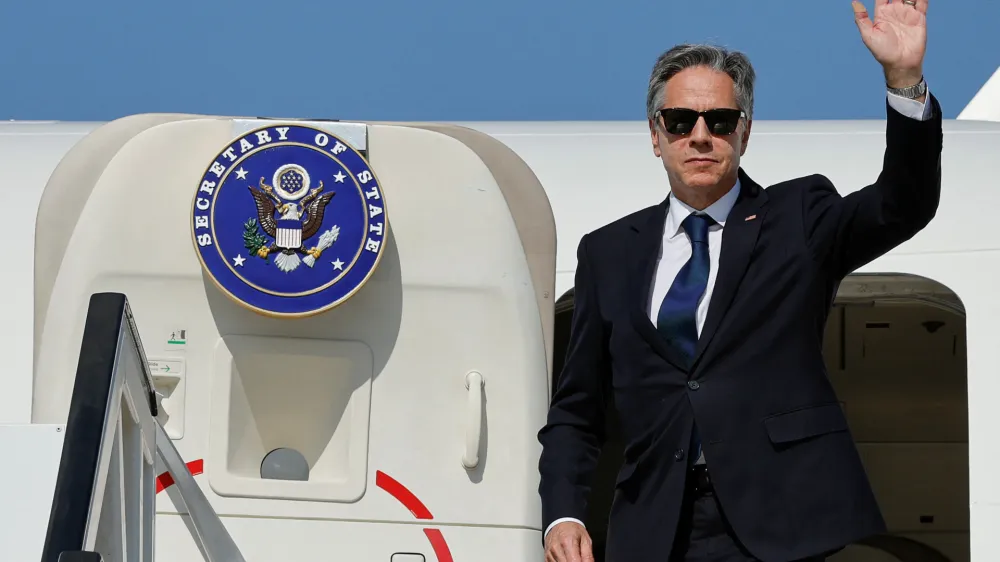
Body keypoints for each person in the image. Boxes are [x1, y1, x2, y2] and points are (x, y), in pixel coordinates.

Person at [537, 1, 940, 561]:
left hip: (777, 525)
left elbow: (903, 205)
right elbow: (576, 411)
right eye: (680, 121)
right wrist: (562, 512)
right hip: (654, 530)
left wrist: (904, 81)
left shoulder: (798, 217)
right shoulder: (607, 253)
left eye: (719, 121)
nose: (700, 136)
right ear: (656, 135)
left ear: (744, 133)